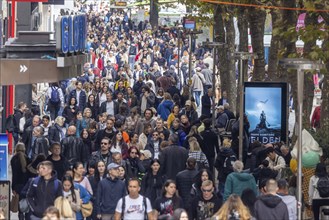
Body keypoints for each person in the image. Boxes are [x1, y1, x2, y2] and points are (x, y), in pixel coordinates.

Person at [10, 143, 31, 220]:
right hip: (27, 185)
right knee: (27, 204)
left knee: (20, 207)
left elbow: (14, 175)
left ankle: (21, 218)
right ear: (24, 149)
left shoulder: (13, 159)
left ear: (16, 149)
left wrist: (13, 188)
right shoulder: (28, 159)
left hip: (18, 185)